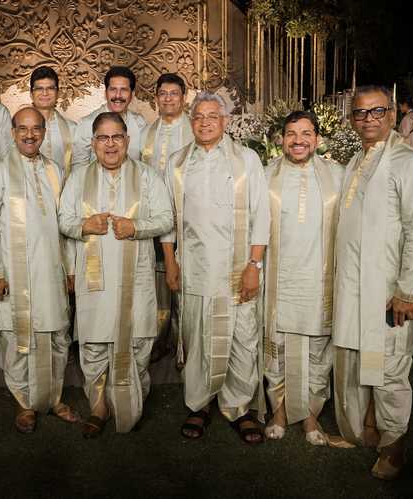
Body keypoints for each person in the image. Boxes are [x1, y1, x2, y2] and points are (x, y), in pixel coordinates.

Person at [333, 85, 413, 479]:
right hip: (354, 285)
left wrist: (407, 291)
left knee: (389, 365)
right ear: (352, 119)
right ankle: (370, 427)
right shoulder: (356, 160)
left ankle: (395, 446)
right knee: (364, 357)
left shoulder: (411, 164)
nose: (368, 119)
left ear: (392, 114)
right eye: (360, 113)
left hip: (387, 288)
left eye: (377, 111)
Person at [161, 92, 270, 444]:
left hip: (237, 268)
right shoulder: (177, 163)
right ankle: (199, 403)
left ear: (225, 121)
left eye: (212, 116)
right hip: (194, 267)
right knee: (196, 336)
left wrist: (254, 264)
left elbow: (261, 215)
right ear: (191, 122)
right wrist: (170, 261)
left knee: (241, 338)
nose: (205, 122)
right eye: (198, 117)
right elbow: (168, 217)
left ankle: (239, 407)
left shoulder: (247, 159)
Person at [59, 112, 173, 437]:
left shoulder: (148, 176)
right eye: (103, 138)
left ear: (127, 140)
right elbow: (63, 219)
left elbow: (166, 218)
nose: (110, 144)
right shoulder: (78, 177)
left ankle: (130, 402)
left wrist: (136, 227)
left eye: (116, 137)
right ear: (93, 142)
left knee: (138, 340)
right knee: (94, 343)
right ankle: (98, 406)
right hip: (94, 279)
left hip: (136, 278)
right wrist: (84, 225)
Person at [0, 107, 79, 433]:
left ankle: (53, 398)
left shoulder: (54, 169)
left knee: (56, 335)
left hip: (51, 269)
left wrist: (71, 269)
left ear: (44, 133)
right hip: (12, 271)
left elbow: (65, 224)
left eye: (36, 128)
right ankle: (24, 403)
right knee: (16, 338)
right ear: (13, 132)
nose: (30, 134)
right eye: (23, 128)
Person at [262, 111, 344, 445]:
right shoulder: (265, 175)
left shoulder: (337, 175)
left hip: (319, 278)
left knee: (317, 351)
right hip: (278, 277)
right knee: (277, 348)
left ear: (318, 138)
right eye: (291, 134)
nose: (298, 140)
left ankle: (311, 415)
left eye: (306, 133)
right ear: (281, 139)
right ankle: (279, 411)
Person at [140, 73, 194, 363]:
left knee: (186, 280)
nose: (168, 98)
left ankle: (185, 342)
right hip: (155, 218)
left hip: (189, 218)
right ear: (156, 98)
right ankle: (161, 339)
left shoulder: (195, 130)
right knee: (159, 282)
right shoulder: (145, 133)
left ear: (184, 97)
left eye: (174, 93)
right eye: (163, 93)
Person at [71, 66, 148, 170]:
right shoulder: (87, 123)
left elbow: (145, 165)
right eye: (113, 89)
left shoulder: (140, 123)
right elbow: (79, 168)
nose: (118, 95)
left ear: (132, 94)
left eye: (124, 90)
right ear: (105, 93)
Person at [30, 66, 77, 179]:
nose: (45, 93)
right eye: (39, 88)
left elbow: (78, 168)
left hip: (64, 187)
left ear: (58, 93)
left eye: (50, 88)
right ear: (31, 94)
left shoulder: (72, 128)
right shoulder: (19, 128)